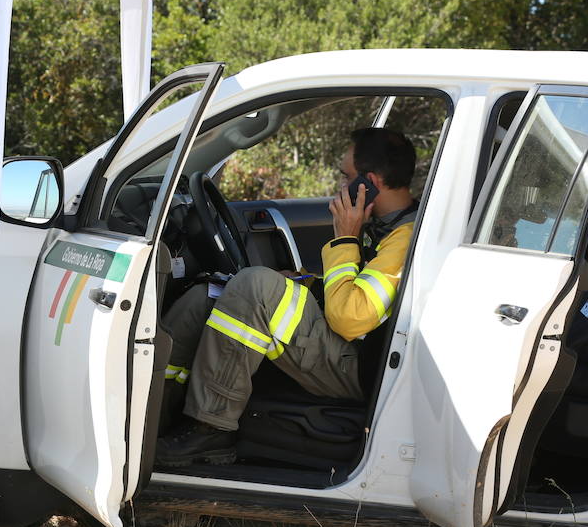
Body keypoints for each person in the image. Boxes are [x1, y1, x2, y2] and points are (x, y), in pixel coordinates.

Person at [155, 127, 418, 466]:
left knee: (254, 288)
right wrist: (306, 282)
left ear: (369, 183)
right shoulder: (388, 226)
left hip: (363, 365)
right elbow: (365, 289)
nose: (340, 188)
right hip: (351, 345)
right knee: (206, 298)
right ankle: (156, 415)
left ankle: (211, 429)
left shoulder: (405, 239)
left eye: (345, 178)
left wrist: (345, 239)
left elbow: (350, 319)